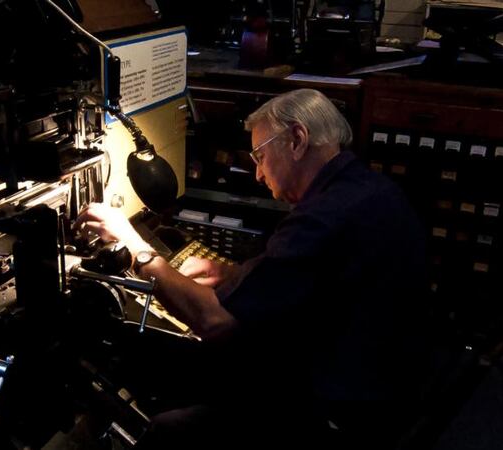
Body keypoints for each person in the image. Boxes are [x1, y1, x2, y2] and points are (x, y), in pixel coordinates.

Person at [76, 88, 430, 449]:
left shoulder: (323, 218)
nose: (259, 175)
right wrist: (233, 275)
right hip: (390, 386)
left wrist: (136, 246)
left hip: (343, 414)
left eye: (260, 156)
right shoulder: (365, 189)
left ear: (297, 139)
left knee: (168, 423)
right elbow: (314, 276)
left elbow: (214, 321)